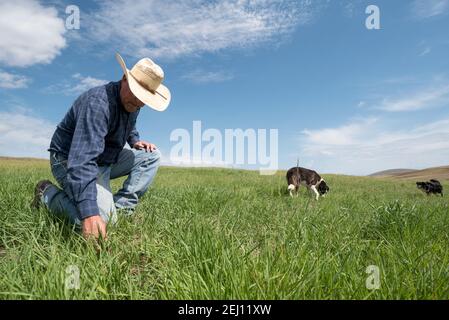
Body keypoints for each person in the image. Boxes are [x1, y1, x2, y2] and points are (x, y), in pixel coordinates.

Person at [31, 53, 171, 240]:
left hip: (105, 159)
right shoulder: (98, 104)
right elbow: (82, 160)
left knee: (151, 156)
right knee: (101, 220)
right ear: (124, 79)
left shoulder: (132, 103)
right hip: (69, 159)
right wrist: (90, 214)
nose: (138, 103)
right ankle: (46, 193)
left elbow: (129, 124)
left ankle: (121, 210)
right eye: (137, 94)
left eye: (144, 99)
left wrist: (135, 141)